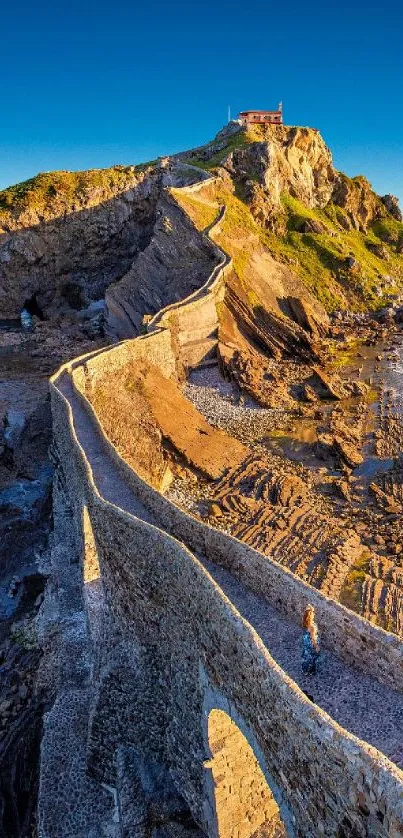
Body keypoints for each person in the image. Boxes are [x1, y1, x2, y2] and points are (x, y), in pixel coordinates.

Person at [301, 605, 320, 676]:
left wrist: (309, 608)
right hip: (311, 643)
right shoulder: (312, 626)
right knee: (313, 656)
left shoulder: (306, 623)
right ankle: (310, 671)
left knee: (306, 655)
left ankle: (305, 669)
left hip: (306, 641)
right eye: (313, 613)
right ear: (311, 616)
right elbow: (313, 638)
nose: (314, 614)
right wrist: (316, 646)